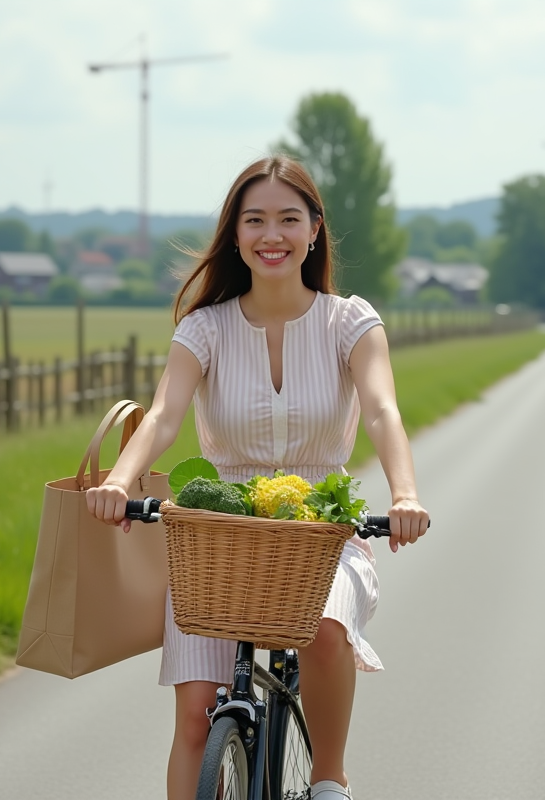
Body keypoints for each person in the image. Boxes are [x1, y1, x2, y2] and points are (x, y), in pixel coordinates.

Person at [85, 154, 430, 800]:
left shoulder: (349, 323)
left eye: (288, 219)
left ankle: (329, 780)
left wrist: (405, 494)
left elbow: (383, 412)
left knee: (324, 629)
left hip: (323, 534)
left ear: (314, 230)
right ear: (236, 234)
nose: (272, 235)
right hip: (221, 539)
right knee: (194, 716)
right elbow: (162, 416)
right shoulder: (206, 328)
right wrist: (120, 481)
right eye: (255, 221)